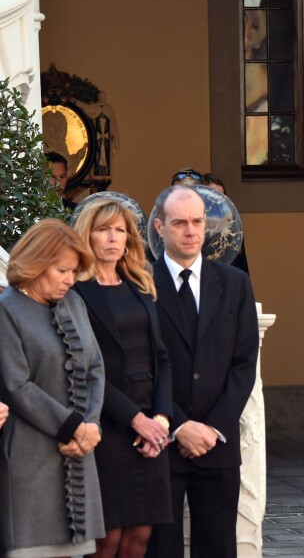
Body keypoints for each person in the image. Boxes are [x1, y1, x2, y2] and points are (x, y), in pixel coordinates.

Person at [146, 185, 259, 558]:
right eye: (180, 223)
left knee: (218, 546)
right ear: (160, 227)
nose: (191, 231)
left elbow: (243, 363)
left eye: (197, 222)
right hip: (161, 442)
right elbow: (139, 367)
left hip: (217, 441)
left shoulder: (234, 283)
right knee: (161, 549)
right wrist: (179, 426)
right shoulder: (141, 286)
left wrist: (211, 428)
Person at [72, 198, 173, 558]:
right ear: (88, 236)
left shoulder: (140, 285)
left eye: (120, 230)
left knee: (139, 538)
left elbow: (161, 356)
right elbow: (83, 369)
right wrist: (136, 421)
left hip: (151, 425)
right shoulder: (75, 293)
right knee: (106, 540)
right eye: (103, 230)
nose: (113, 238)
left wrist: (160, 420)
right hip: (107, 426)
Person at [0, 219, 105, 557]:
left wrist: (91, 425)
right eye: (62, 270)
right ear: (36, 264)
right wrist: (73, 427)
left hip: (79, 452)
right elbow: (17, 384)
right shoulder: (6, 310)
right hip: (31, 457)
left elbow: (96, 369)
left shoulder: (75, 304)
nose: (70, 280)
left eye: (74, 271)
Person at [201, 172, 250, 275]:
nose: (219, 204)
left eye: (222, 199)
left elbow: (241, 270)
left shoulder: (232, 230)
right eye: (213, 198)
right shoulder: (189, 231)